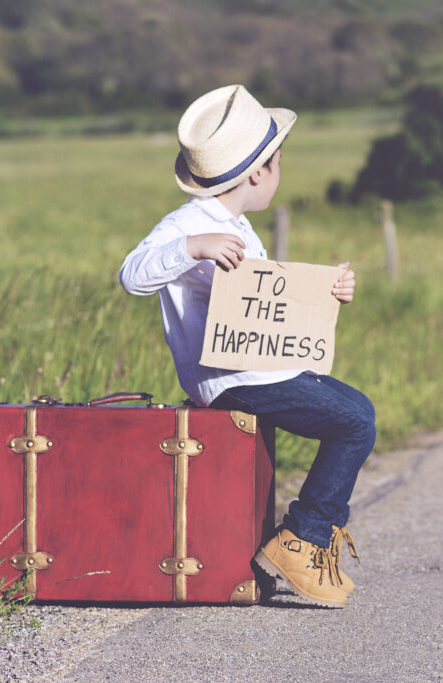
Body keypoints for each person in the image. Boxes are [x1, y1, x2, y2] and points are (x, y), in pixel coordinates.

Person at [119, 84, 375, 608]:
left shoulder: (240, 227)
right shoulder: (187, 225)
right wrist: (192, 248)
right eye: (278, 164)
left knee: (359, 409)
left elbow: (268, 299)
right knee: (353, 424)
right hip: (231, 380)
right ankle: (302, 540)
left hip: (263, 371)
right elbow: (131, 275)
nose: (279, 174)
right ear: (259, 173)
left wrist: (328, 293)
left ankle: (304, 536)